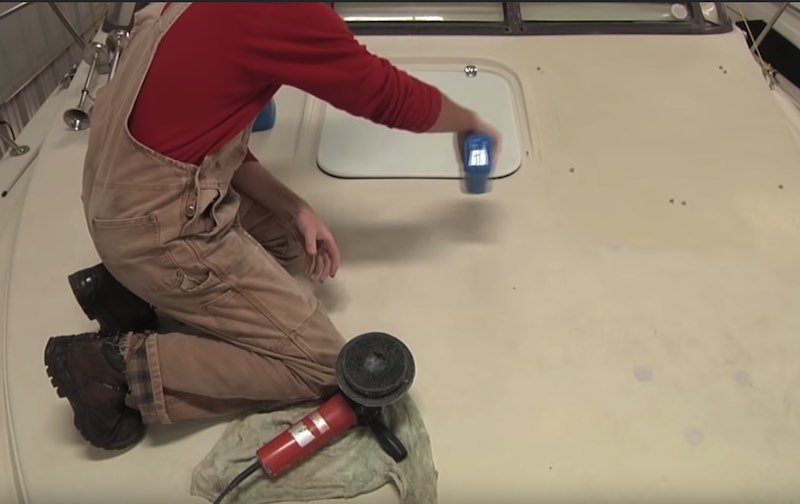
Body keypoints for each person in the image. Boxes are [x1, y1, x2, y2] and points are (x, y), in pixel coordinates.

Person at [45, 2, 501, 450]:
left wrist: (295, 207)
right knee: (324, 367)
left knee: (288, 240)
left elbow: (201, 130)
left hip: (120, 197)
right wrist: (467, 122)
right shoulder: (281, 10)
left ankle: (129, 288)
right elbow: (381, 93)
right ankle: (108, 369)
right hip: (156, 228)